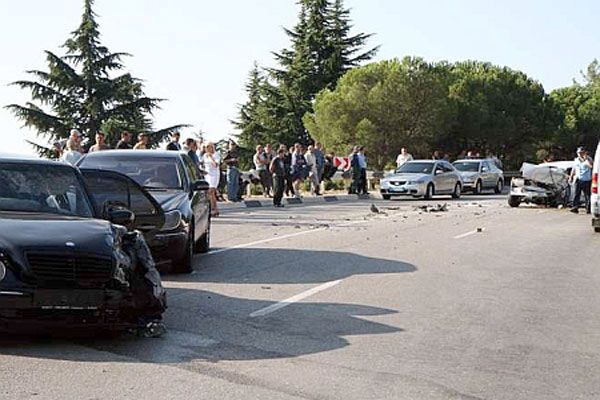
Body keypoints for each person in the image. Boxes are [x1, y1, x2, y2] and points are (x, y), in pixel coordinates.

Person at [570, 147, 594, 214]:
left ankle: (588, 208)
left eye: (581, 153)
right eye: (578, 153)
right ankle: (575, 207)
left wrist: (585, 160)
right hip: (578, 179)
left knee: (587, 195)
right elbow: (574, 168)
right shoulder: (576, 160)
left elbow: (591, 166)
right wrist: (571, 176)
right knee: (576, 194)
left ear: (584, 153)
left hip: (586, 179)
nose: (580, 154)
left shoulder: (588, 159)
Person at [203, 142, 221, 217]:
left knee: (211, 191)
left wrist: (211, 157)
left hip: (214, 175)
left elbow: (216, 165)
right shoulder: (205, 155)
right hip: (208, 175)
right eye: (206, 147)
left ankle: (213, 208)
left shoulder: (216, 155)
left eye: (209, 147)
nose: (208, 149)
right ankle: (215, 209)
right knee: (210, 193)